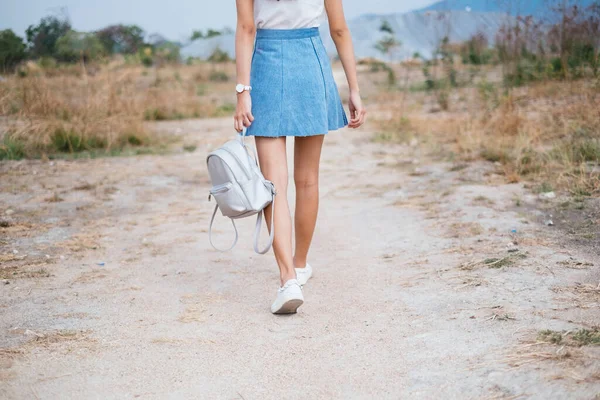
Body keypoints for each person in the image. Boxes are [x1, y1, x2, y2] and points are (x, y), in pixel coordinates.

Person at [234, 0, 366, 314]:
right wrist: (355, 89)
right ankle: (300, 264)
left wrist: (242, 91)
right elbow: (338, 30)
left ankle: (288, 279)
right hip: (311, 64)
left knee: (272, 185)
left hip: (266, 67)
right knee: (307, 180)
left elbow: (246, 28)